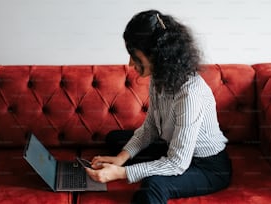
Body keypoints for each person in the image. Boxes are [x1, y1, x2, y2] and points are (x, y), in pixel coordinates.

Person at [85, 9, 232, 204]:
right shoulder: (160, 77)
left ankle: (149, 171)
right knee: (115, 140)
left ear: (158, 56)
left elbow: (178, 163)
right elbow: (151, 128)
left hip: (207, 167)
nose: (130, 64)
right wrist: (121, 158)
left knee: (153, 186)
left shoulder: (190, 94)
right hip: (172, 148)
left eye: (135, 57)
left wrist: (121, 173)